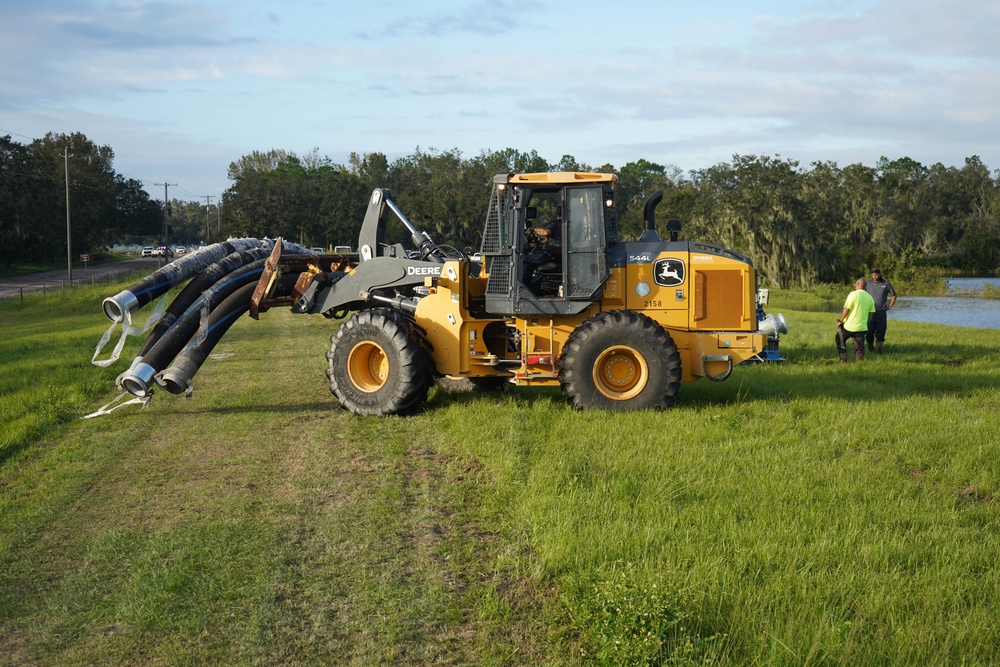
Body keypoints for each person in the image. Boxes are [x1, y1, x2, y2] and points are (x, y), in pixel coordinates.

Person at [836, 277, 876, 362]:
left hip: (849, 327)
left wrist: (840, 321)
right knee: (859, 347)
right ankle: (859, 362)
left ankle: (843, 360)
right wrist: (866, 323)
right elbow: (871, 314)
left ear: (858, 284)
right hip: (862, 328)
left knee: (840, 339)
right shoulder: (870, 298)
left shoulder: (853, 294)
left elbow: (846, 309)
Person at [523, 206, 562, 290]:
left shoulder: (556, 223)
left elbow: (546, 232)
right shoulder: (568, 225)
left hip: (550, 255)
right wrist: (543, 241)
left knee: (525, 259)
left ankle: (523, 287)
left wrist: (533, 229)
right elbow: (558, 241)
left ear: (557, 214)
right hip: (558, 255)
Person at [865, 267, 897, 353]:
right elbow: (860, 292)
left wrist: (890, 305)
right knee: (869, 331)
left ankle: (879, 349)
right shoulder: (868, 283)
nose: (874, 276)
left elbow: (894, 295)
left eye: (876, 274)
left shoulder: (886, 283)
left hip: (881, 312)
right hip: (870, 312)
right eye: (873, 275)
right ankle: (870, 346)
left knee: (881, 331)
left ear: (879, 274)